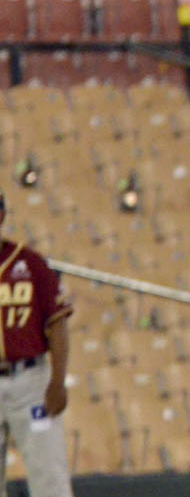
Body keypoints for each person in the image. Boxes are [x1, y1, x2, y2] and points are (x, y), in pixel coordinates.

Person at [0, 192, 74, 497]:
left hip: (30, 381)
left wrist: (57, 381)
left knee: (49, 476)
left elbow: (57, 325)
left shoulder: (31, 264)